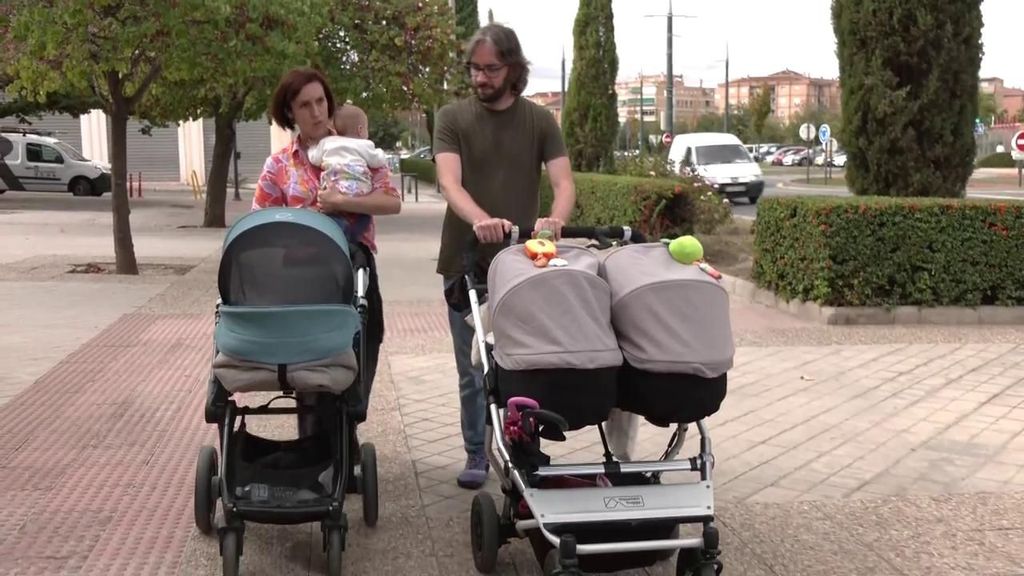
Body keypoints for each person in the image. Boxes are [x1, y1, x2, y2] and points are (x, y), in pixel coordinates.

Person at [432, 23, 576, 489]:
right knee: (473, 367)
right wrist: (480, 219)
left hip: (523, 263)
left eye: (490, 69)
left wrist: (554, 218)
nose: (480, 78)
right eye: (474, 69)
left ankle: (521, 445)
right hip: (466, 261)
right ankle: (477, 452)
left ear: (513, 68)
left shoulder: (539, 121)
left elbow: (563, 183)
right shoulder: (452, 118)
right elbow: (450, 183)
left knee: (526, 363)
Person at [254, 67, 401, 435]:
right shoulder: (279, 165)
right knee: (311, 360)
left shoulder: (355, 148)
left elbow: (391, 201)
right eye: (305, 105)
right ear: (290, 113)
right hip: (302, 274)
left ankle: (347, 429)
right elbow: (260, 222)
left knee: (361, 347)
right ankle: (314, 443)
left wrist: (341, 200)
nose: (317, 112)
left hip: (355, 269)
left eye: (321, 101)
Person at [308, 104, 388, 241]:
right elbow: (378, 160)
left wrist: (312, 147)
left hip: (333, 190)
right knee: (364, 216)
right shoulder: (365, 144)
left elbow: (314, 159)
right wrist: (381, 153)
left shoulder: (326, 143)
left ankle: (339, 229)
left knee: (331, 216)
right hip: (358, 192)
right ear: (361, 130)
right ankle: (353, 233)